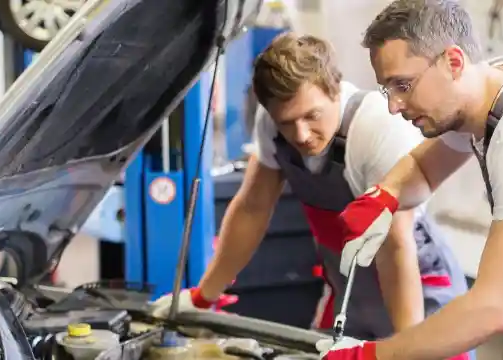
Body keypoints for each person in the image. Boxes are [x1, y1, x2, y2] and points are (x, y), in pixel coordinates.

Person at [149, 31, 471, 357]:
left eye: (311, 116)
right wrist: (204, 297)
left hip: (419, 297)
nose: (301, 135)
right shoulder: (274, 124)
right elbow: (253, 208)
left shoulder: (376, 129)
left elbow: (395, 248)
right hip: (349, 294)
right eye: (287, 122)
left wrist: (408, 349)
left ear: (335, 91)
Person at [317, 1, 503, 360]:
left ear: (454, 61)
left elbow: (492, 310)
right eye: (388, 89)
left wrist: (370, 356)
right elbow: (425, 169)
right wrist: (384, 196)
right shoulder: (491, 83)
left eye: (403, 85)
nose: (393, 106)